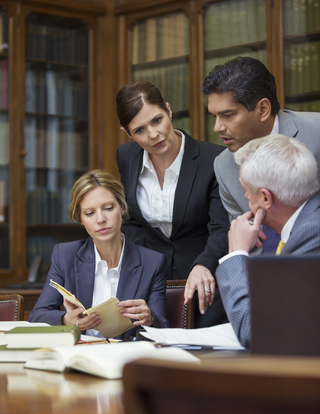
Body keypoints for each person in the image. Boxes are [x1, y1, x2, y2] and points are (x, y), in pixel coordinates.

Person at [115, 80, 230, 328]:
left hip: (206, 283)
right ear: (127, 133)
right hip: (151, 289)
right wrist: (145, 268)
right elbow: (131, 221)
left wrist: (204, 263)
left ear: (168, 110)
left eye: (157, 120)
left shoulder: (214, 159)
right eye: (140, 130)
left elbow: (222, 226)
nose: (153, 135)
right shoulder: (126, 157)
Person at [28, 170, 169, 338]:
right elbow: (37, 317)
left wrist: (149, 318)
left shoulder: (152, 262)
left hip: (125, 357)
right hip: (81, 355)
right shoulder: (65, 256)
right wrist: (67, 320)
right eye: (89, 213)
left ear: (122, 208)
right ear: (80, 219)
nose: (101, 219)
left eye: (108, 208)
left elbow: (163, 328)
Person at [202, 56, 320, 252]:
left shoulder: (316, 134)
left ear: (263, 109)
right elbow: (249, 243)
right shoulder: (223, 166)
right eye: (214, 116)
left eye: (227, 115)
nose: (217, 127)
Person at [216, 134, 320, 348]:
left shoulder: (311, 233)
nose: (245, 197)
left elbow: (255, 331)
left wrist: (236, 253)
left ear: (265, 198)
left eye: (246, 189)